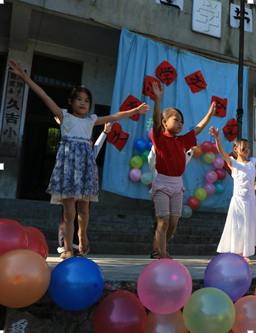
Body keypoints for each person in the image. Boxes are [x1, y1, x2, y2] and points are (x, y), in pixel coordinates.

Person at [8, 59, 150, 259]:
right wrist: (24, 76)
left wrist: (135, 111)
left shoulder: (91, 120)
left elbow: (115, 117)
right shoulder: (64, 117)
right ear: (70, 101)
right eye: (79, 99)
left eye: (86, 101)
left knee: (84, 210)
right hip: (67, 168)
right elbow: (44, 95)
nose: (83, 103)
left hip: (85, 168)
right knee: (68, 213)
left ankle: (82, 236)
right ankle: (67, 249)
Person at [151, 82, 215, 259]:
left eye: (181, 121)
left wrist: (209, 115)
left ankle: (158, 247)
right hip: (163, 182)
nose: (180, 123)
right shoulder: (159, 138)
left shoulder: (182, 140)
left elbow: (198, 128)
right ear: (165, 123)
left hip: (177, 184)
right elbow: (155, 121)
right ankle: (162, 254)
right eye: (176, 119)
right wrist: (158, 99)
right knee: (163, 221)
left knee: (173, 223)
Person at [211, 127, 256, 262]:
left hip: (250, 200)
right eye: (244, 148)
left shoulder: (252, 162)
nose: (247, 150)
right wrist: (217, 139)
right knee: (238, 225)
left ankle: (244, 252)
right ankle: (236, 252)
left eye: (248, 147)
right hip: (239, 200)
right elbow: (222, 152)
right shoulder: (233, 163)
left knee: (248, 225)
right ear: (236, 150)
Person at [57, 121, 111, 258]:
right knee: (67, 216)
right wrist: (63, 125)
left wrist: (105, 132)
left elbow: (99, 144)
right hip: (70, 189)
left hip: (85, 192)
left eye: (89, 142)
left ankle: (77, 246)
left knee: (80, 218)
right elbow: (67, 138)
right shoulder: (71, 152)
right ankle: (65, 248)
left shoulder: (91, 155)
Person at [148, 145, 193, 259]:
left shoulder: (176, 155)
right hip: (160, 190)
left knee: (171, 223)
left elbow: (182, 163)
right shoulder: (157, 159)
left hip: (174, 189)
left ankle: (161, 249)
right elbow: (151, 158)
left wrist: (190, 151)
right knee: (161, 222)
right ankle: (156, 250)